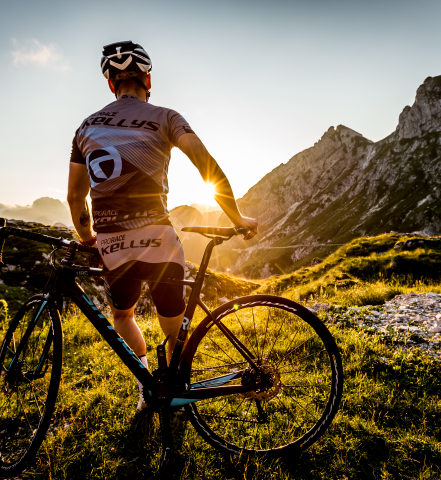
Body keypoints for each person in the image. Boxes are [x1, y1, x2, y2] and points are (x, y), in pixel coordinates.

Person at [66, 41, 257, 411]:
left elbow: (76, 197)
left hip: (112, 244)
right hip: (158, 238)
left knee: (123, 315)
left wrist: (88, 237)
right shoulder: (166, 117)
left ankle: (146, 386)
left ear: (111, 84)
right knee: (174, 327)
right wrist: (236, 218)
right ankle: (175, 390)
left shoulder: (85, 127)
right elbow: (206, 165)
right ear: (148, 80)